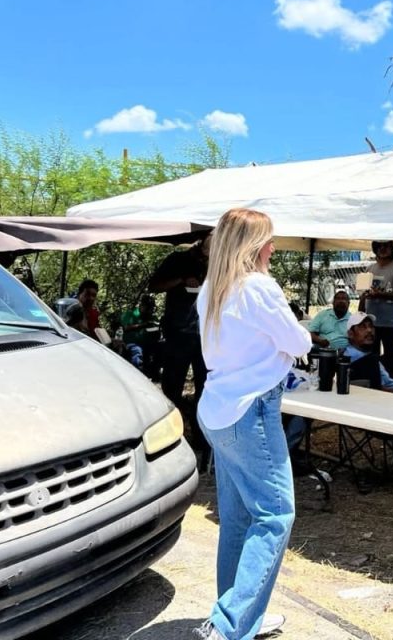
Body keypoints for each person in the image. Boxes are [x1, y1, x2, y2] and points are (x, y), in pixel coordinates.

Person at [194, 209, 312, 640]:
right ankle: (228, 626)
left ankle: (241, 619)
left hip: (218, 409)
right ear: (253, 246)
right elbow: (299, 342)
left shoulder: (212, 290)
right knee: (276, 515)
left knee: (239, 518)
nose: (274, 247)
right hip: (252, 411)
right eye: (269, 239)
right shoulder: (259, 288)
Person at [149, 235, 210, 455]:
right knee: (172, 388)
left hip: (206, 336)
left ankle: (203, 442)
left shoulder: (219, 263)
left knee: (206, 390)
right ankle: (169, 440)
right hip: (178, 333)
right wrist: (182, 281)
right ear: (202, 240)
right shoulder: (178, 260)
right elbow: (153, 286)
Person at [358, 240, 393, 380]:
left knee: (391, 357)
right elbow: (363, 296)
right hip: (370, 324)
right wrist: (361, 316)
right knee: (370, 356)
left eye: (386, 246)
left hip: (389, 323)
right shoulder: (370, 269)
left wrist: (380, 294)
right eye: (379, 246)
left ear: (392, 249)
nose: (382, 249)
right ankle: (374, 384)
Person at [342, 312, 393, 393]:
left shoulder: (367, 356)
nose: (369, 330)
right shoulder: (354, 358)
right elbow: (381, 389)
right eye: (362, 327)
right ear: (350, 334)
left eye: (371, 326)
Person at [120, 294, 159, 375]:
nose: (150, 310)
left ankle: (155, 373)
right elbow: (126, 328)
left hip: (149, 344)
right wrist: (144, 324)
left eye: (151, 308)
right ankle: (137, 375)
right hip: (132, 343)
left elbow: (157, 332)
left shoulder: (152, 317)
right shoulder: (130, 313)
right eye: (148, 307)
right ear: (142, 305)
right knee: (137, 351)